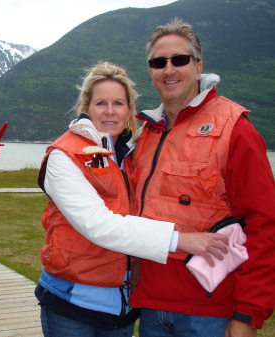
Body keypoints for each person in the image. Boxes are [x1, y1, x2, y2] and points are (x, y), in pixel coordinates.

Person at [35, 61, 230, 337]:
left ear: (129, 111)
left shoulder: (134, 155)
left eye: (118, 103)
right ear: (86, 109)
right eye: (101, 103)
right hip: (72, 302)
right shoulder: (63, 155)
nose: (110, 111)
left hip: (121, 308)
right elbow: (98, 225)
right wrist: (181, 240)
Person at [129, 18, 275, 337]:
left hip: (210, 315)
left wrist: (248, 315)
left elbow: (264, 225)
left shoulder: (235, 129)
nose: (169, 69)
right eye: (158, 62)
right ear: (150, 71)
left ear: (198, 67)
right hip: (150, 307)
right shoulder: (145, 134)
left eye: (179, 59)